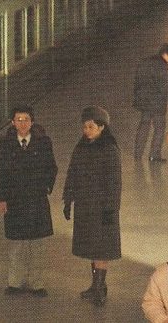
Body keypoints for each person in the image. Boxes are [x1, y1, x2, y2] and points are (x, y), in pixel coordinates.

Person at [0, 105, 57, 296]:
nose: (22, 124)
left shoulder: (43, 142)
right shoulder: (5, 144)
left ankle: (37, 283)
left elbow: (52, 167)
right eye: (18, 120)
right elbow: (0, 172)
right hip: (14, 201)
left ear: (32, 122)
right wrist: (1, 198)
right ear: (13, 123)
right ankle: (15, 282)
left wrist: (47, 186)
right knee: (16, 244)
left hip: (36, 199)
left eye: (26, 120)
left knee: (37, 244)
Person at [62, 105, 121, 307]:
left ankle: (100, 287)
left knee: (101, 250)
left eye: (90, 126)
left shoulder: (110, 149)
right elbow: (72, 174)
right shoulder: (81, 147)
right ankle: (95, 285)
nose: (86, 130)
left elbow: (114, 182)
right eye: (85, 127)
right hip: (85, 206)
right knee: (92, 248)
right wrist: (67, 200)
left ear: (102, 127)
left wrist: (111, 209)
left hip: (103, 208)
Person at [133, 44, 168, 162]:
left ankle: (138, 154)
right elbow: (165, 88)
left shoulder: (145, 62)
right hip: (157, 103)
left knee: (144, 126)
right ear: (167, 54)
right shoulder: (163, 67)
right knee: (159, 129)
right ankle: (154, 155)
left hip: (144, 102)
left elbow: (137, 81)